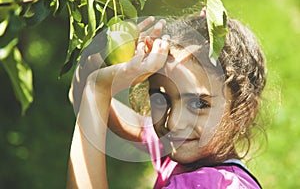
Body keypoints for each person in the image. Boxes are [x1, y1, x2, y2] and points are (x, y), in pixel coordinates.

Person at [67, 13, 266, 188]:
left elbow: (90, 103)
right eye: (161, 101)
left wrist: (97, 91)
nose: (173, 122)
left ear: (244, 112)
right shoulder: (182, 147)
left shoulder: (210, 184)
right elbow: (81, 101)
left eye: (198, 104)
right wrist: (106, 62)